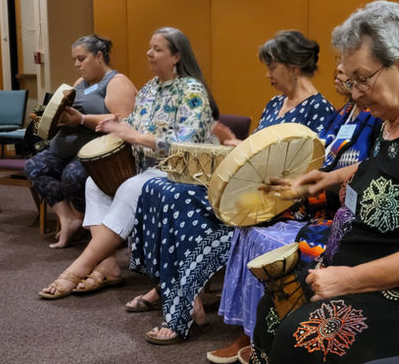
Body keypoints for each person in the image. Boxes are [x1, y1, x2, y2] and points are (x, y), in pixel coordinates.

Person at [249, 0, 399, 364]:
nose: (354, 93)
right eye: (350, 80)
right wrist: (328, 178)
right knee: (272, 307)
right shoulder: (393, 117)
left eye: (362, 78)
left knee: (303, 337)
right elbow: (390, 167)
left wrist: (347, 280)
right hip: (374, 270)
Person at [126, 30, 337, 346]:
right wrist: (235, 143)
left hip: (276, 202)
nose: (267, 74)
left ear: (294, 66)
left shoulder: (318, 109)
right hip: (250, 190)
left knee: (179, 201)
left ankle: (179, 305)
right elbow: (258, 153)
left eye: (273, 66)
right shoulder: (276, 102)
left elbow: (308, 168)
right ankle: (178, 291)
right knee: (159, 187)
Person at [207, 61, 380, 361]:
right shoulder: (341, 114)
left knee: (290, 244)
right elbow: (318, 160)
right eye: (337, 66)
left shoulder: (375, 119)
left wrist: (311, 189)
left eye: (346, 69)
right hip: (316, 196)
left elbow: (367, 172)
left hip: (337, 207)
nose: (337, 71)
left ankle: (281, 337)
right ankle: (248, 330)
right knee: (249, 225)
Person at [38, 27, 219, 299]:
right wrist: (109, 124)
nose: (149, 53)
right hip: (145, 166)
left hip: (179, 171)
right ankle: (109, 264)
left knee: (131, 188)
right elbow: (131, 124)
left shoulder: (191, 91)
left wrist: (137, 136)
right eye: (150, 47)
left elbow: (187, 140)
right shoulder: (148, 89)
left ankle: (80, 267)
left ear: (176, 56)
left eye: (157, 49)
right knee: (93, 184)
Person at [25, 35, 136, 248]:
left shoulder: (116, 82)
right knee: (34, 166)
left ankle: (96, 225)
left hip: (98, 153)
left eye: (81, 59)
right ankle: (68, 218)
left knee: (72, 176)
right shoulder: (80, 84)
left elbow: (123, 120)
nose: (77, 64)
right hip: (65, 148)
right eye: (74, 60)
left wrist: (82, 119)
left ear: (99, 56)